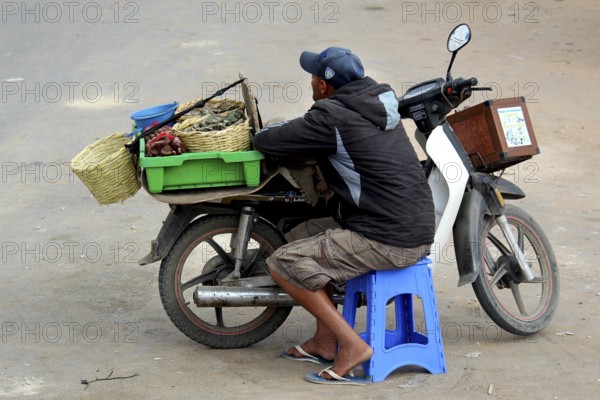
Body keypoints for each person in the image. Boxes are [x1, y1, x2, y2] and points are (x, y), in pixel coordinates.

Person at [253, 47, 435, 385]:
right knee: (300, 234)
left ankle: (352, 345)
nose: (310, 82)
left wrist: (261, 133)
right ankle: (325, 341)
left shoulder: (331, 117)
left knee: (282, 262)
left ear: (323, 86)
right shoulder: (377, 104)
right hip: (412, 225)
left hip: (386, 238)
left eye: (313, 77)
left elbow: (271, 141)